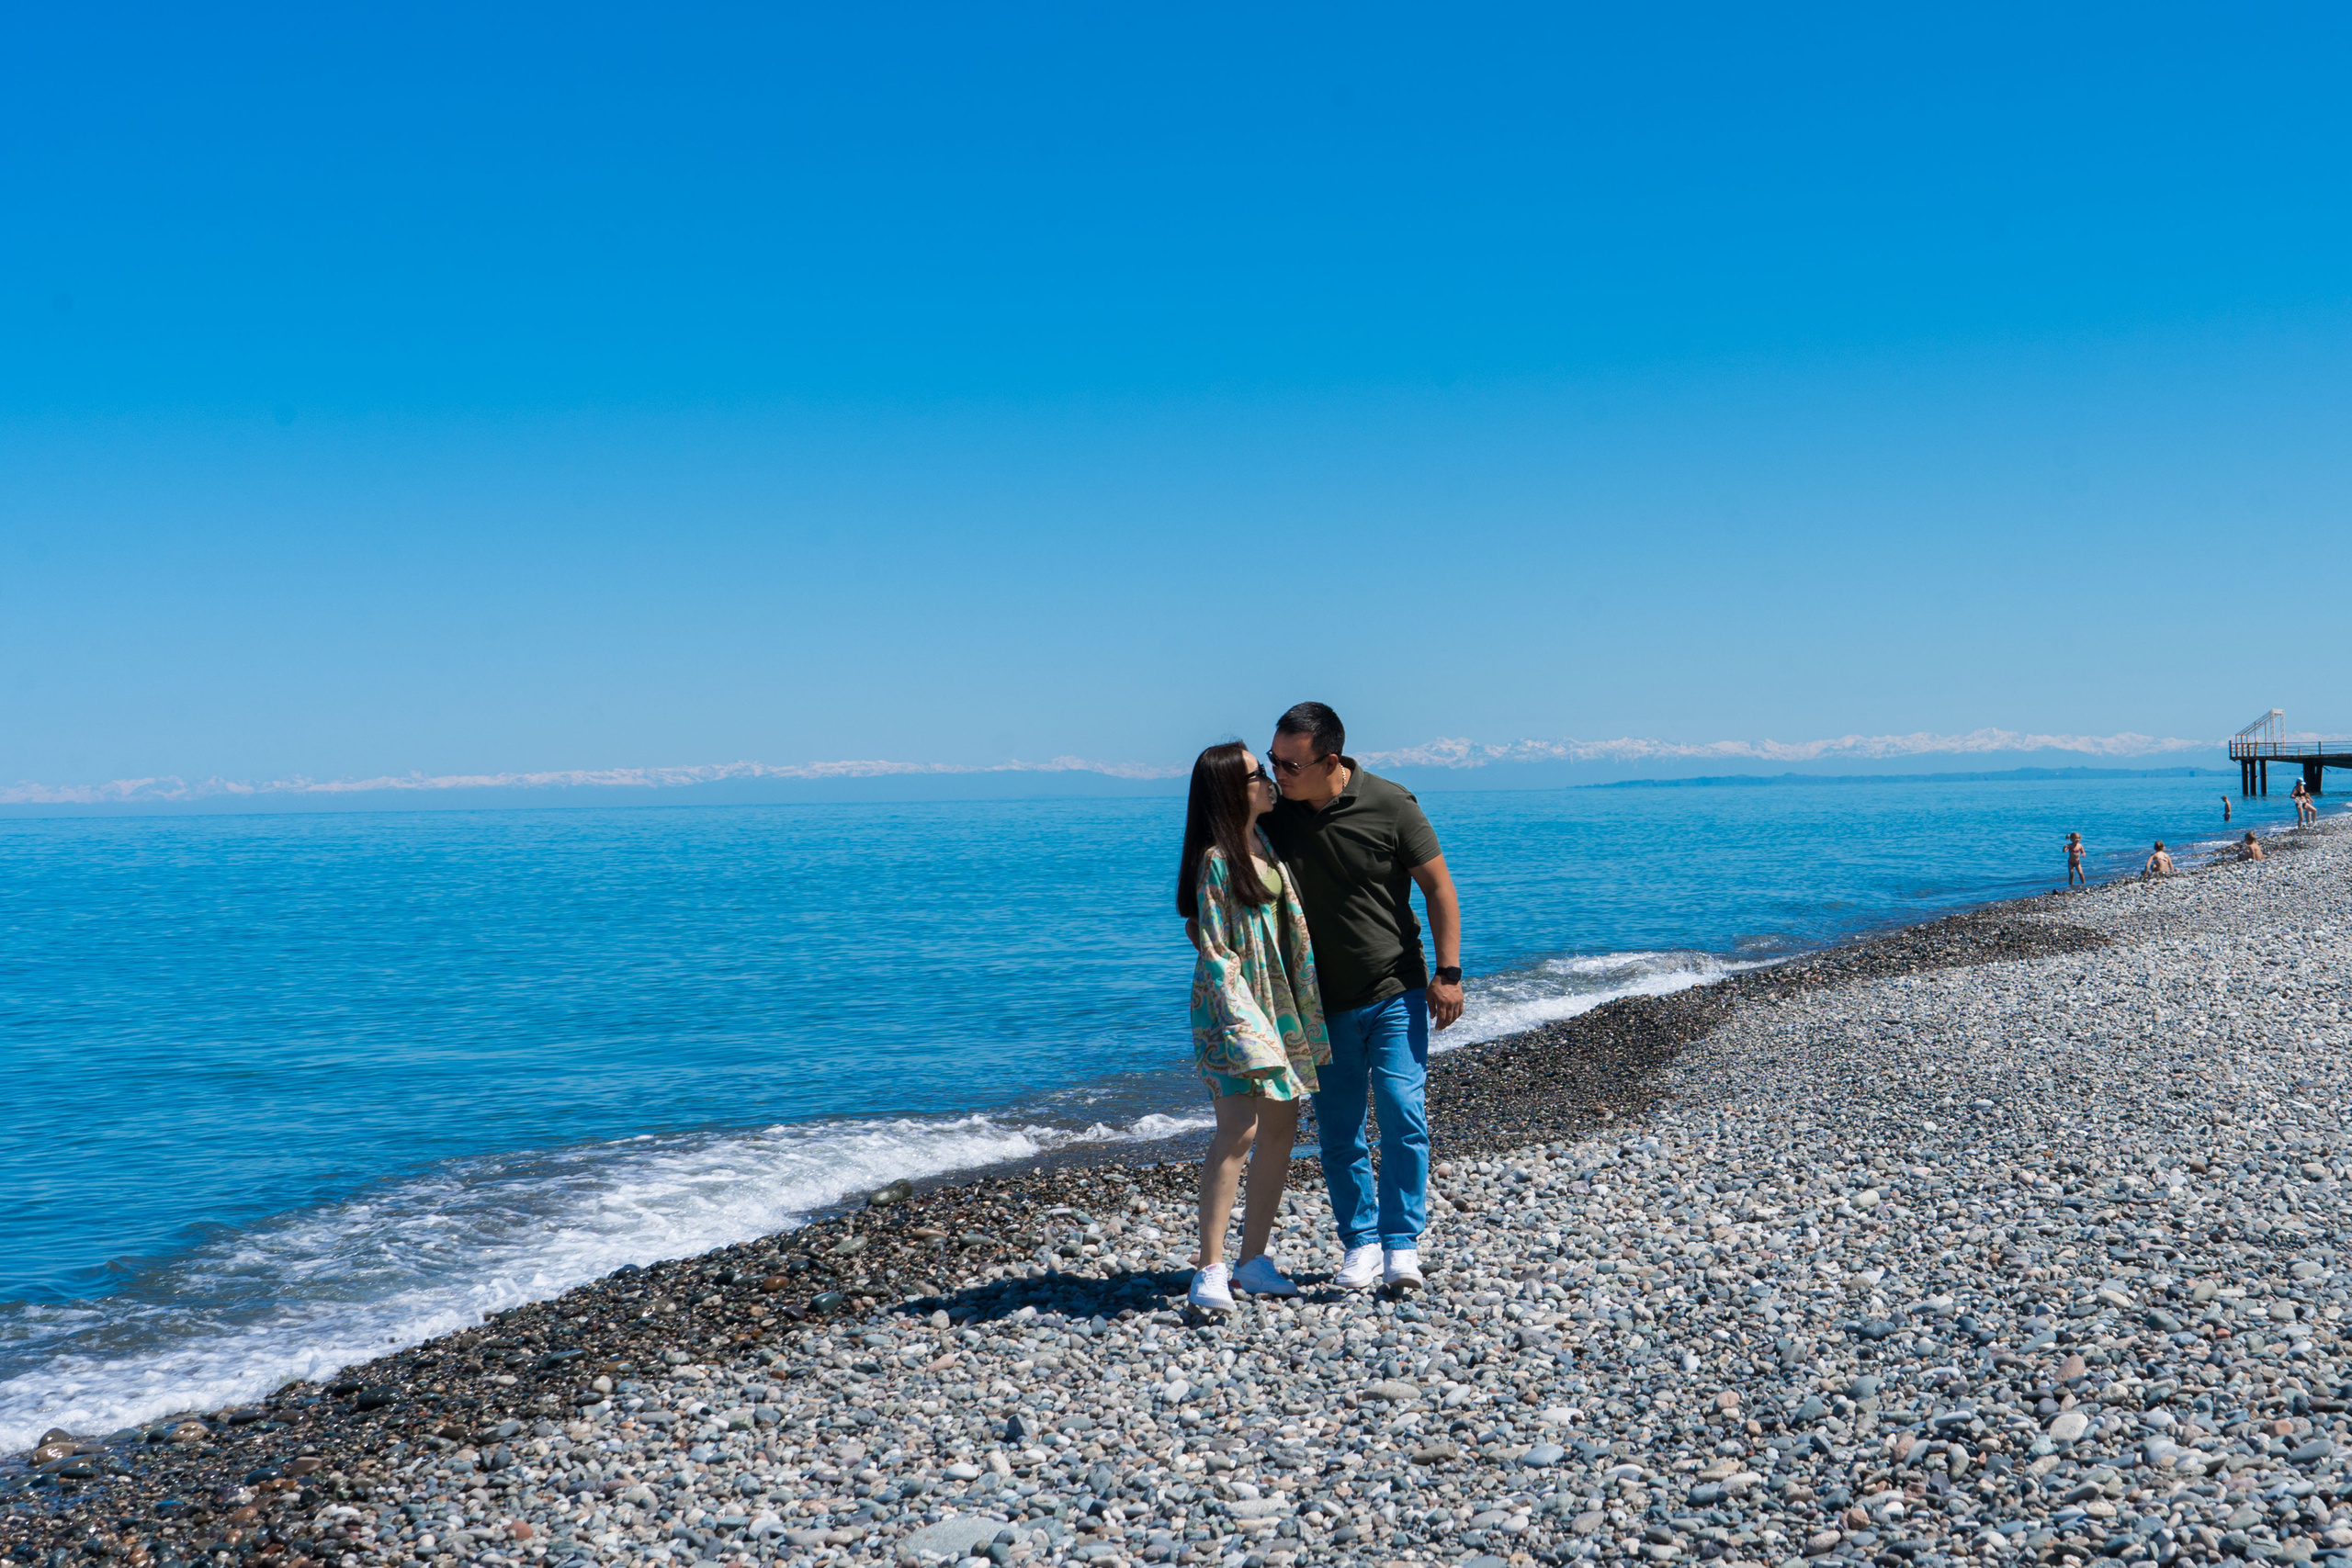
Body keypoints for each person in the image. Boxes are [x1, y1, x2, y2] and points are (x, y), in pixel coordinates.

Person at [1260, 702, 1463, 1294]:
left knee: (1401, 1109)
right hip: (1318, 1002)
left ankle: (1403, 1245)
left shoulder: (1391, 803)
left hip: (1395, 988)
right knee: (1339, 1129)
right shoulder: (1275, 814)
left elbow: (1439, 889)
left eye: (1291, 764)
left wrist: (1448, 974)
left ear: (1330, 759)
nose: (1280, 774)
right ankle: (1361, 1244)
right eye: (1274, 762)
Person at [1177, 741, 1331, 1311]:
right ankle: (1209, 1268)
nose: (1268, 779)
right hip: (1232, 1008)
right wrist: (1248, 1023)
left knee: (1282, 1127)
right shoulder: (1218, 859)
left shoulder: (1266, 843)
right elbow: (1215, 950)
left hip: (1276, 1002)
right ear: (1228, 790)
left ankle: (1254, 1261)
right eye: (1255, 774)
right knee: (1238, 1128)